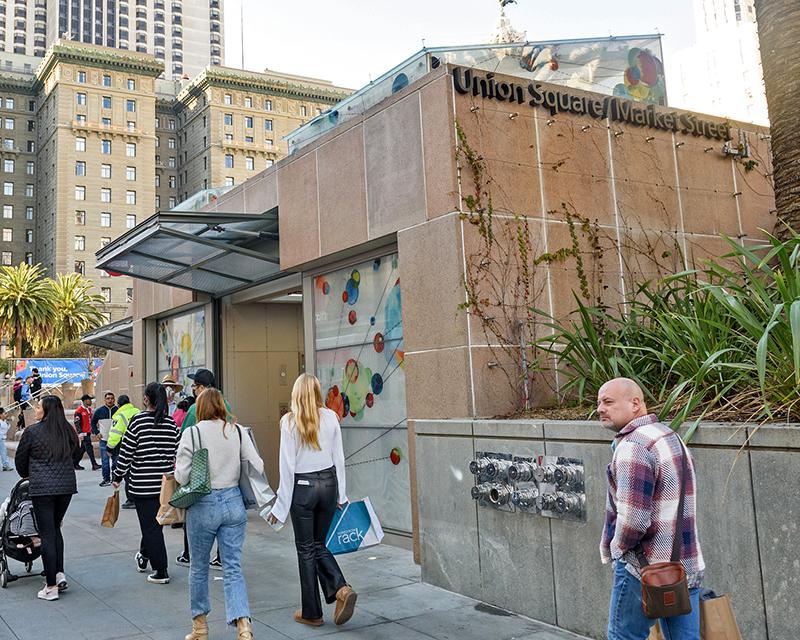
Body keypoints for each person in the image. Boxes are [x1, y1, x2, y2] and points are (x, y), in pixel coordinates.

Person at [598, 378, 705, 640]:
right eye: (599, 403)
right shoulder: (669, 435)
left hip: (644, 567)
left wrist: (617, 551)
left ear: (635, 403)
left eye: (608, 402)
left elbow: (633, 520)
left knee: (623, 636)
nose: (600, 408)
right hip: (686, 564)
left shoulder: (634, 446)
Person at [268, 373, 357, 627]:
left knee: (306, 549)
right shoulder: (330, 417)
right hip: (329, 485)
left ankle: (314, 611)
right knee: (318, 545)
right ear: (318, 392)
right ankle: (339, 590)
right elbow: (339, 457)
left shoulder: (289, 421)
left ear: (296, 393)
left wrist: (281, 506)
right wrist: (342, 494)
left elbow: (287, 466)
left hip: (303, 488)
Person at [175, 388, 262, 640]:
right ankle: (244, 625)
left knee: (199, 567)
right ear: (222, 407)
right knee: (232, 567)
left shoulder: (192, 433)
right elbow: (258, 465)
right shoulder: (236, 431)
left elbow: (181, 475)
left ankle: (200, 628)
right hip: (234, 501)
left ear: (200, 408)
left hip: (203, 503)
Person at [14, 395, 80, 601]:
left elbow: (20, 461)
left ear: (47, 410)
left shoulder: (32, 432)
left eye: (38, 406)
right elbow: (76, 455)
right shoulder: (68, 430)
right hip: (65, 488)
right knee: (55, 529)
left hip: (42, 489)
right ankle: (58, 572)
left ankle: (51, 586)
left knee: (46, 534)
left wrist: (29, 473)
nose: (35, 408)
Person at [112, 382, 179, 585]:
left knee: (150, 527)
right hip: (165, 484)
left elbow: (126, 452)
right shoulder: (170, 423)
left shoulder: (138, 422)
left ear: (146, 399)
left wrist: (117, 476)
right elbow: (177, 449)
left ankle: (161, 570)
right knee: (154, 525)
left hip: (142, 483)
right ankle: (144, 555)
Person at [176, 368, 228, 569]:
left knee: (194, 519)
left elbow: (183, 440)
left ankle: (190, 554)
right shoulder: (227, 405)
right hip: (226, 476)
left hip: (201, 475)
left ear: (203, 388)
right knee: (224, 526)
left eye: (195, 386)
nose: (193, 390)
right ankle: (220, 557)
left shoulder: (194, 409)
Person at [107, 394, 140, 509]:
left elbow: (115, 435)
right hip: (141, 446)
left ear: (119, 404)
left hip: (126, 447)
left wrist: (109, 448)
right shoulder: (138, 411)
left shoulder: (120, 415)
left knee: (127, 474)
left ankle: (131, 500)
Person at [91, 391, 118, 487]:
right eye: (108, 398)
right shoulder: (99, 411)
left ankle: (115, 479)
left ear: (114, 399)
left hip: (116, 441)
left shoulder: (118, 410)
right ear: (105, 400)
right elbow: (93, 423)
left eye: (111, 398)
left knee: (116, 461)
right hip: (104, 441)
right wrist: (97, 432)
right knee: (105, 462)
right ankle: (106, 479)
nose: (110, 400)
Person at [73, 394, 100, 471]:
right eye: (89, 400)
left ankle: (75, 463)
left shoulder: (89, 409)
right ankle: (94, 464)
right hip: (84, 434)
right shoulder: (79, 411)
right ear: (85, 401)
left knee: (82, 450)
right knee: (90, 449)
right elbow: (77, 423)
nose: (91, 401)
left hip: (88, 432)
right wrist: (80, 433)